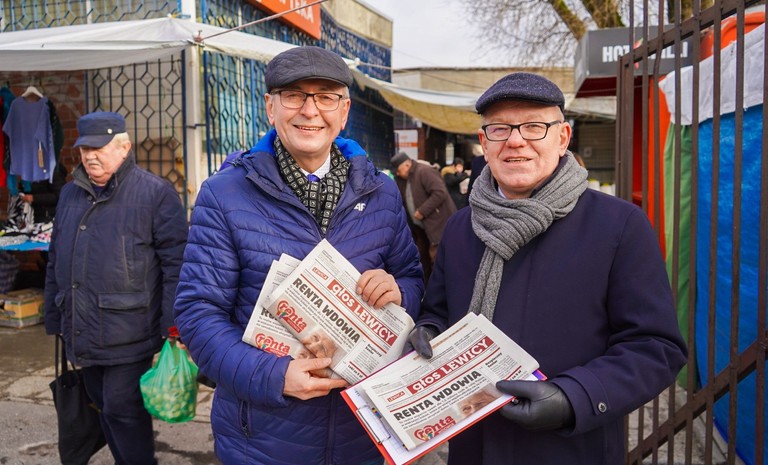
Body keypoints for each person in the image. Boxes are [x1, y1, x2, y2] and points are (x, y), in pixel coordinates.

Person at [405, 72, 687, 465]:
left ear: (563, 138)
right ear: (484, 143)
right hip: (474, 446)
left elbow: (655, 347)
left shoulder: (619, 225)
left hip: (570, 448)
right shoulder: (460, 228)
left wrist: (574, 397)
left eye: (534, 126)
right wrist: (429, 330)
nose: (516, 141)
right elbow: (438, 310)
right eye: (500, 129)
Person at [173, 46, 424, 465]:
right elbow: (198, 313)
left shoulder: (380, 191)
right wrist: (274, 376)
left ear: (343, 112)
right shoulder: (224, 193)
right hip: (263, 440)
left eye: (325, 97)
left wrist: (398, 291)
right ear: (270, 108)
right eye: (294, 96)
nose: (310, 110)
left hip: (361, 435)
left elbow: (413, 280)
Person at [43, 111, 189, 465]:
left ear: (124, 147)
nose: (90, 156)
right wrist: (53, 314)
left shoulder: (155, 193)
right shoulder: (70, 194)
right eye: (84, 149)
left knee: (122, 408)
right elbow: (56, 256)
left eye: (99, 148)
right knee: (102, 404)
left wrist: (173, 324)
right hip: (81, 325)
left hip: (131, 327)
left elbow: (177, 264)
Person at [391, 152, 455, 282]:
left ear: (407, 165)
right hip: (421, 229)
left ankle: (442, 287)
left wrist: (422, 211)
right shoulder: (403, 179)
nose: (397, 173)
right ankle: (427, 287)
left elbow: (440, 192)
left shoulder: (424, 171)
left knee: (439, 259)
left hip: (438, 225)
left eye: (398, 170)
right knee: (423, 258)